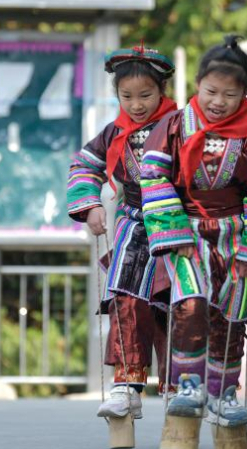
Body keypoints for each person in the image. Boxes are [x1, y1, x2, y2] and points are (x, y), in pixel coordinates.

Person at [140, 35, 247, 428]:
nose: (219, 101)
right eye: (211, 91)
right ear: (197, 85)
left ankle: (224, 391)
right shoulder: (172, 127)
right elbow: (153, 178)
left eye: (230, 94)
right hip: (187, 235)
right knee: (191, 303)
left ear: (244, 93)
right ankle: (188, 385)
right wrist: (175, 234)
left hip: (235, 236)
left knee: (230, 314)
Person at [67, 45, 177, 420]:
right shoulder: (114, 132)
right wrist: (91, 204)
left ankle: (180, 386)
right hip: (133, 224)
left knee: (177, 306)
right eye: (126, 96)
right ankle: (127, 385)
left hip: (178, 227)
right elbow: (84, 166)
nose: (136, 104)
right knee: (127, 299)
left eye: (145, 95)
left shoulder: (182, 125)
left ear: (163, 89)